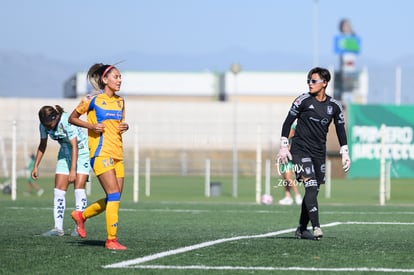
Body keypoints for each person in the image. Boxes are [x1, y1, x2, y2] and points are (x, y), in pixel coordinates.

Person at [277, 67, 351, 240]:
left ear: (324, 83)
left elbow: (340, 130)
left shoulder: (334, 106)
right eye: (308, 81)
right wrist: (283, 145)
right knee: (310, 186)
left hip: (318, 153)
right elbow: (287, 122)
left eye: (314, 81)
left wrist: (345, 152)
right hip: (300, 150)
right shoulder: (302, 100)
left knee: (313, 191)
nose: (310, 84)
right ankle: (316, 226)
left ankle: (302, 229)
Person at [69, 63, 129, 250]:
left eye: (120, 78)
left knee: (115, 197)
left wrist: (125, 127)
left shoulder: (120, 101)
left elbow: (119, 124)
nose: (119, 80)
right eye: (116, 77)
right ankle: (111, 240)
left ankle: (82, 215)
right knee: (113, 195)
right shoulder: (91, 99)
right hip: (100, 152)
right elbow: (72, 118)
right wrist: (91, 126)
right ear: (105, 79)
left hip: (118, 153)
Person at [32, 105, 89, 236]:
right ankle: (58, 228)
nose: (47, 127)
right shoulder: (43, 125)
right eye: (44, 125)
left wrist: (73, 170)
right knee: (58, 190)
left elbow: (75, 146)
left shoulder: (66, 121)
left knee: (79, 188)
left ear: (55, 117)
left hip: (81, 152)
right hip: (64, 153)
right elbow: (42, 144)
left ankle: (79, 227)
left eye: (49, 124)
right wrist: (36, 166)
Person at [277, 123, 302, 206]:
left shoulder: (296, 135)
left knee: (288, 177)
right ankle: (288, 197)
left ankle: (297, 195)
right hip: (285, 157)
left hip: (290, 158)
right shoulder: (287, 139)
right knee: (285, 178)